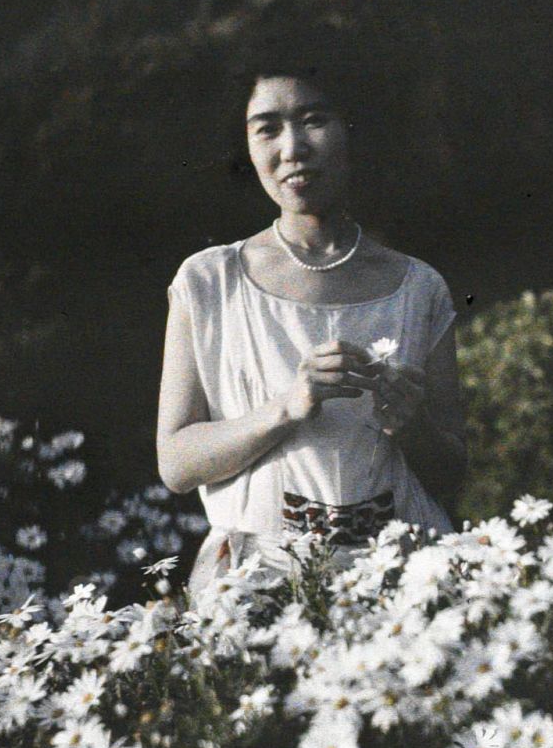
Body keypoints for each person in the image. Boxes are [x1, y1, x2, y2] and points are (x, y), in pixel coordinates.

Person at [158, 38, 468, 596]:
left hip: (405, 578)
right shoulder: (209, 282)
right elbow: (177, 463)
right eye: (267, 127)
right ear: (246, 147)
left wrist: (410, 422)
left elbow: (451, 473)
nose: (293, 147)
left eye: (314, 120)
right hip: (259, 581)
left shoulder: (418, 287)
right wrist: (286, 407)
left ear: (351, 129)